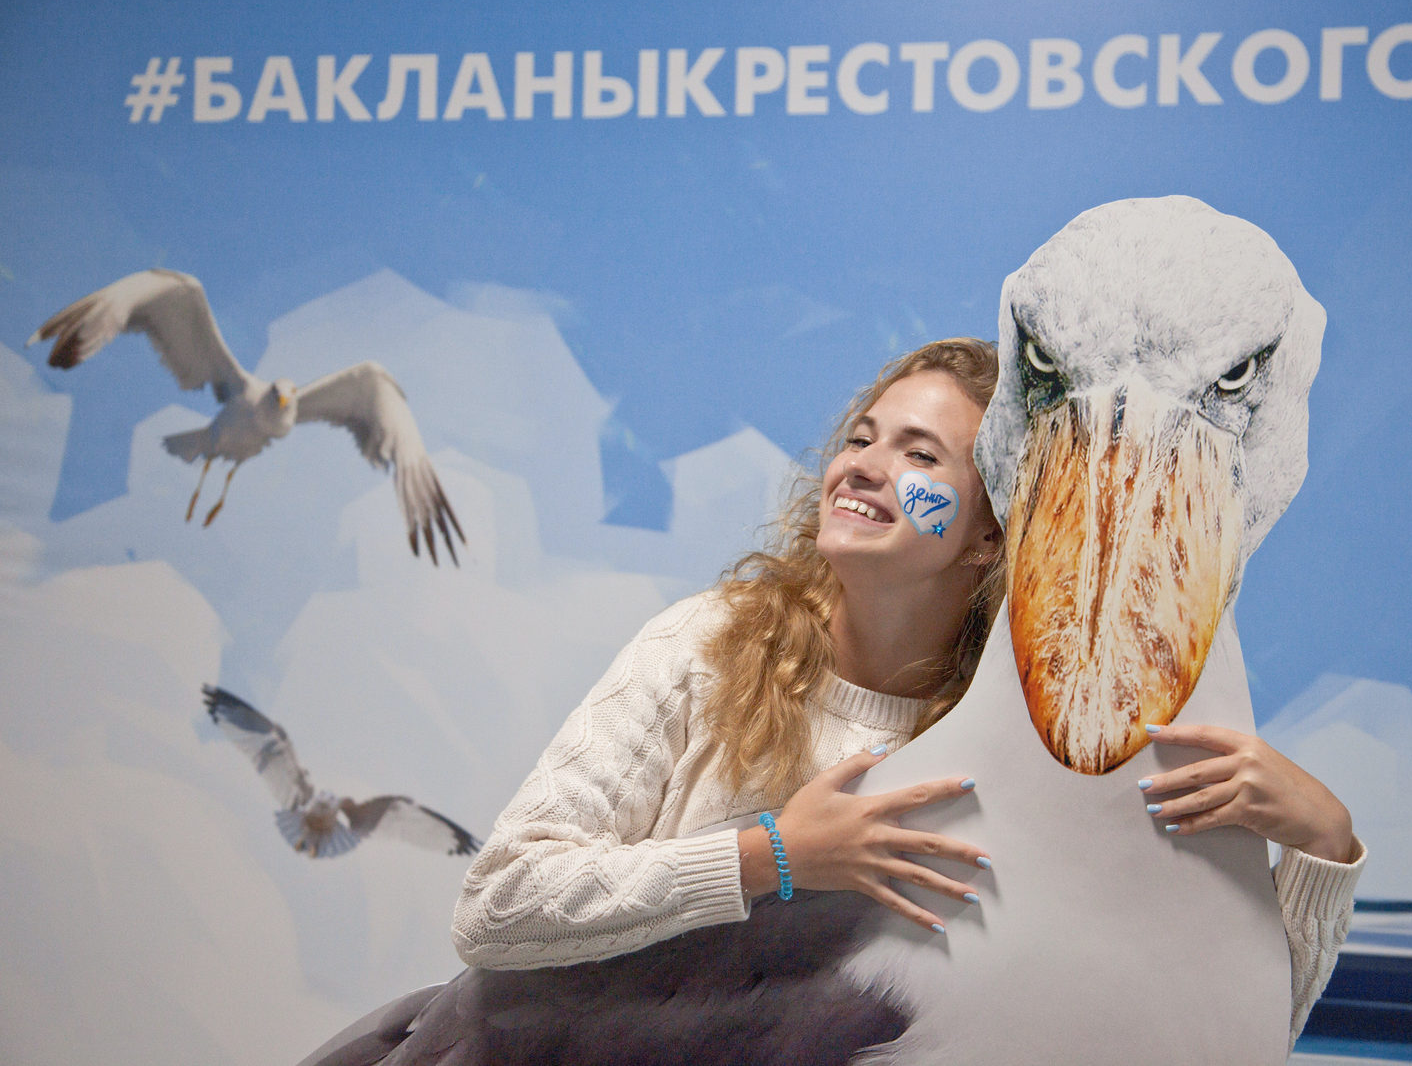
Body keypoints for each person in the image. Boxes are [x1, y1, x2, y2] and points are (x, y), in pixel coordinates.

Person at [451, 337, 1364, 1039]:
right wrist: (771, 856)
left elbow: (1199, 1035)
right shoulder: (706, 646)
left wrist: (1323, 850)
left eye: (920, 456)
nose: (862, 465)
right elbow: (498, 904)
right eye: (860, 438)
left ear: (989, 535)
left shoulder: (1028, 754)